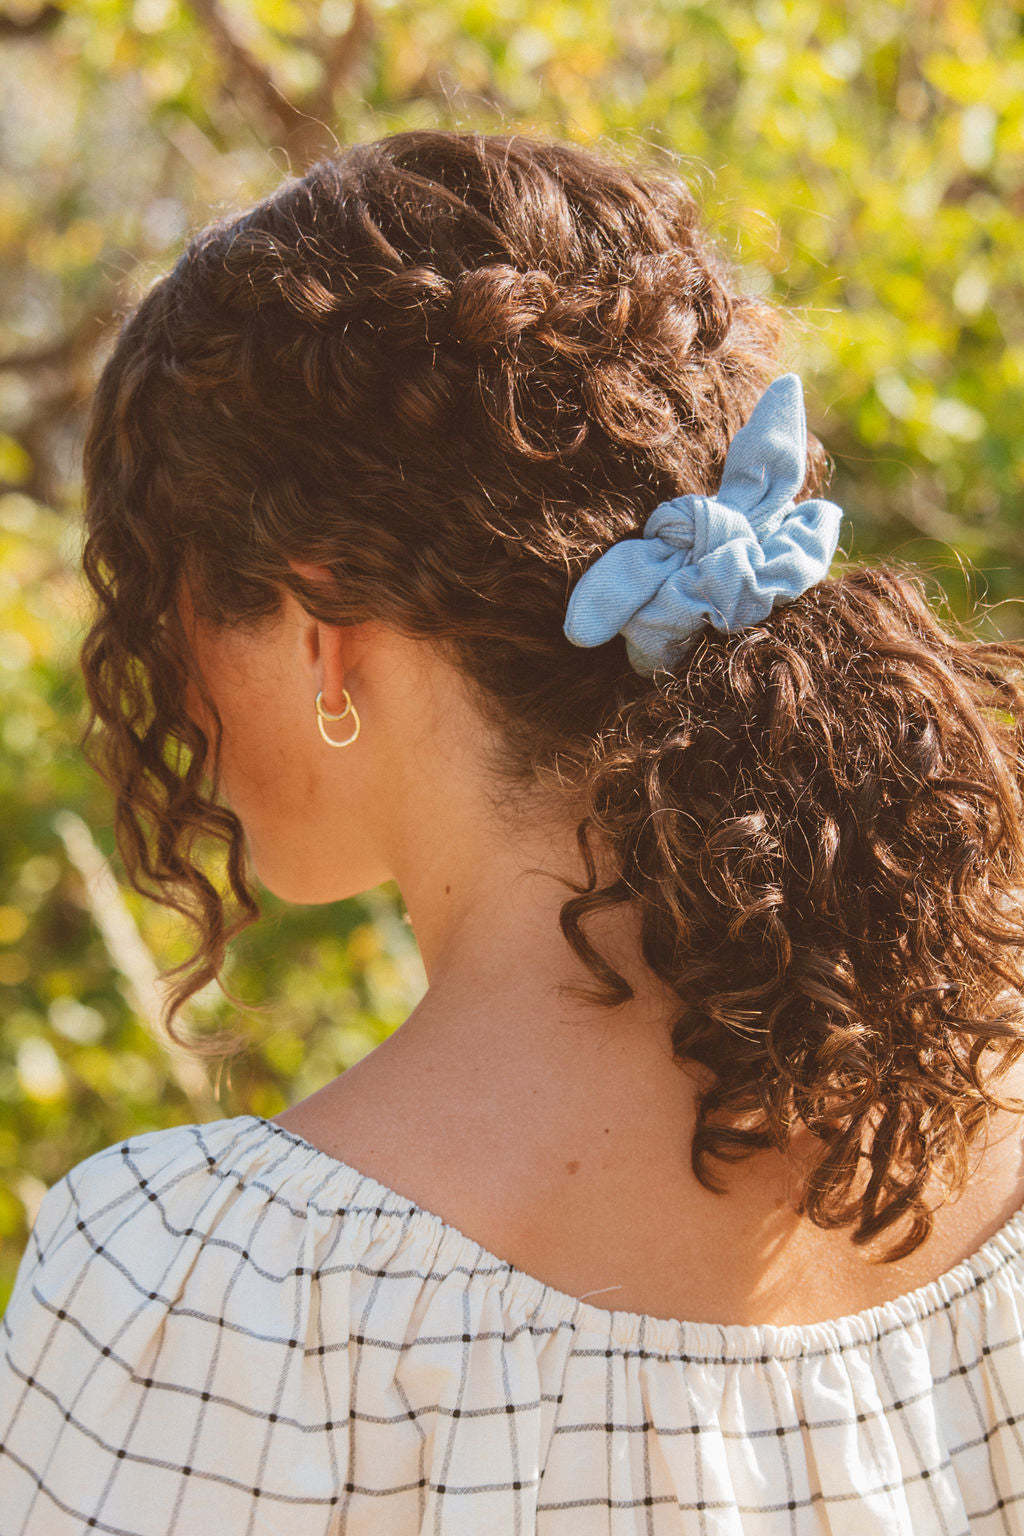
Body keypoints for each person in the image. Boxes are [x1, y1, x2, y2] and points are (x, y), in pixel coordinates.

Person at [2, 129, 1024, 1535]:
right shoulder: (991, 1113)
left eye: (164, 611)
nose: (172, 697)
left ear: (317, 630)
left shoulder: (211, 1293)